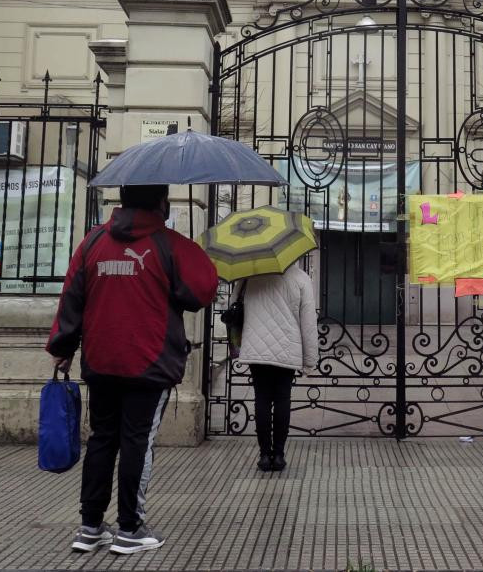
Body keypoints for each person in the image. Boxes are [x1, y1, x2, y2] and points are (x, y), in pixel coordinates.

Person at [47, 184, 218, 555]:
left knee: (103, 439)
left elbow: (72, 296)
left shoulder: (92, 242)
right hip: (149, 361)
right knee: (137, 441)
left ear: (122, 201)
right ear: (162, 202)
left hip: (101, 359)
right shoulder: (170, 245)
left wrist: (62, 347)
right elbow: (200, 293)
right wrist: (190, 254)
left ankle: (90, 526)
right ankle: (130, 527)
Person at [236, 262, 318, 472]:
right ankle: (279, 455)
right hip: (286, 348)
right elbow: (308, 323)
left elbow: (234, 302)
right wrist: (310, 360)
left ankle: (264, 455)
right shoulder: (301, 278)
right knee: (283, 399)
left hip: (256, 347)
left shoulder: (249, 274)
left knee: (261, 399)